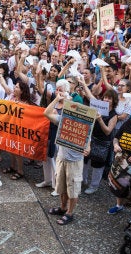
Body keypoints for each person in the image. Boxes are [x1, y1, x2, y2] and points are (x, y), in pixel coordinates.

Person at [43, 91, 90, 226]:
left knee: (73, 189)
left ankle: (70, 213)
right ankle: (63, 208)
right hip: (61, 158)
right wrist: (57, 99)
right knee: (62, 186)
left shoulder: (85, 126)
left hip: (75, 162)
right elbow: (46, 113)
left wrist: (88, 149)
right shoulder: (62, 119)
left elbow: (89, 144)